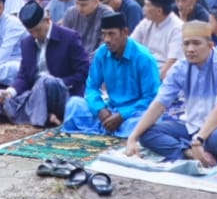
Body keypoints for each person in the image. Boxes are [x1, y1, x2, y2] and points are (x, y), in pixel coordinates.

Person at [122, 21, 217, 166]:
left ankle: (193, 148)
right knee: (146, 133)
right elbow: (159, 104)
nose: (190, 49)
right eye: (186, 44)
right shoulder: (180, 67)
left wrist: (199, 140)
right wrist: (132, 138)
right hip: (193, 127)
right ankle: (188, 153)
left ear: (210, 46)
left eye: (196, 43)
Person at [0, 2, 90, 127]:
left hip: (61, 93)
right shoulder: (27, 43)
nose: (35, 35)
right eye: (31, 32)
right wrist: (10, 92)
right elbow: (23, 76)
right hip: (33, 95)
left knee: (45, 82)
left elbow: (83, 72)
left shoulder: (69, 37)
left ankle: (30, 114)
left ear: (47, 21)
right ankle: (45, 116)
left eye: (37, 30)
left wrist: (57, 83)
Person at [61, 10, 162, 138]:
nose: (107, 40)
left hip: (134, 112)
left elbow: (151, 97)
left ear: (125, 32)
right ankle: (111, 129)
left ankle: (111, 130)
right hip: (111, 109)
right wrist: (100, 109)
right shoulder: (101, 54)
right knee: (74, 104)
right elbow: (91, 87)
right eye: (104, 34)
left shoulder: (144, 58)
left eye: (111, 34)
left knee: (143, 123)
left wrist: (122, 115)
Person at [130, 0, 182, 77]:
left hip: (162, 77)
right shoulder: (146, 22)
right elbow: (130, 46)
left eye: (146, 5)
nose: (143, 9)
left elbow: (172, 64)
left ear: (159, 11)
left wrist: (151, 84)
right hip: (142, 71)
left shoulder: (177, 28)